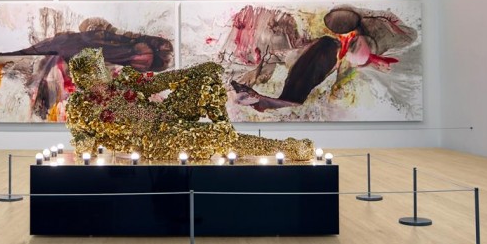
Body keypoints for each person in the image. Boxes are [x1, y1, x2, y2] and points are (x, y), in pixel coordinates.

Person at [65, 48, 313, 161]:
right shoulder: (79, 105)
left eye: (102, 67)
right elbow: (80, 135)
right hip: (153, 139)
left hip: (166, 113)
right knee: (217, 136)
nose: (103, 73)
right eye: (95, 71)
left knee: (205, 80)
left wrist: (195, 71)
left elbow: (160, 82)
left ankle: (225, 135)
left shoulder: (122, 82)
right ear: (83, 77)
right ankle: (283, 148)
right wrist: (83, 142)